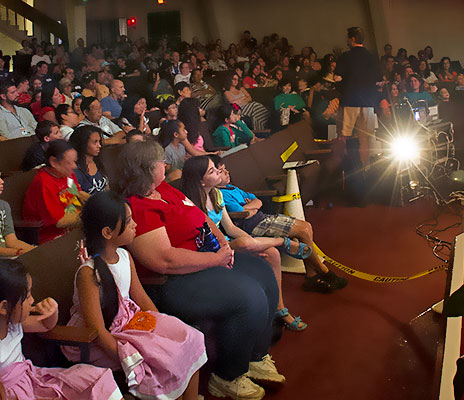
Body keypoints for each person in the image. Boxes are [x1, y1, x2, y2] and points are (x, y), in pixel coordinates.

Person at [114, 140, 284, 400]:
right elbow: (164, 260)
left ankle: (256, 355)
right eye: (161, 162)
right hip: (173, 281)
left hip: (206, 257)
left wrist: (224, 245)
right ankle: (227, 377)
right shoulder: (138, 206)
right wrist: (216, 260)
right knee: (248, 296)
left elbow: (202, 216)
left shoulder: (165, 189)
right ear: (147, 168)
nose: (166, 164)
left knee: (262, 272)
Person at [63, 191, 206, 399]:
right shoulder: (88, 273)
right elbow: (97, 330)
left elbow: (141, 297)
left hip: (129, 322)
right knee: (164, 358)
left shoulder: (124, 256)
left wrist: (160, 327)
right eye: (128, 221)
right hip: (100, 338)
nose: (135, 225)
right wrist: (128, 359)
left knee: (189, 338)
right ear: (107, 232)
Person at [181, 156, 308, 331]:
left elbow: (230, 227)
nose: (219, 171)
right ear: (201, 182)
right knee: (242, 243)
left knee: (271, 253)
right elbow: (205, 239)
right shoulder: (191, 204)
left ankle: (280, 309)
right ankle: (283, 242)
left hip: (227, 240)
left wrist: (252, 243)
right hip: (210, 249)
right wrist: (247, 243)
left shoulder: (216, 194)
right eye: (212, 171)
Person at [213, 155, 348, 293]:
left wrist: (253, 206)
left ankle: (311, 275)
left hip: (262, 218)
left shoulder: (232, 188)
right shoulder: (221, 194)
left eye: (226, 169)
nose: (227, 172)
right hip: (253, 225)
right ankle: (324, 272)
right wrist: (251, 207)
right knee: (302, 231)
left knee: (306, 226)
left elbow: (257, 200)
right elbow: (243, 212)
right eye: (221, 171)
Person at [0, 259, 123, 400]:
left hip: (32, 378)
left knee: (94, 378)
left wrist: (51, 312)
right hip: (14, 394)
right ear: (4, 307)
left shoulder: (14, 323)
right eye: (27, 296)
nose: (32, 300)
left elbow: (45, 326)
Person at [23, 140, 89, 244]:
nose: (75, 166)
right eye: (70, 162)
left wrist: (95, 200)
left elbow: (78, 194)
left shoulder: (67, 173)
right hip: (51, 237)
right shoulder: (43, 183)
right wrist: (90, 214)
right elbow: (60, 221)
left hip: (75, 223)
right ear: (53, 162)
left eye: (75, 161)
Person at [335, 27, 381, 170]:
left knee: (343, 135)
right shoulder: (371, 56)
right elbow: (379, 81)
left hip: (350, 100)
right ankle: (366, 168)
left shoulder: (345, 56)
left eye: (348, 38)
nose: (347, 41)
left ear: (352, 39)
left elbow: (337, 78)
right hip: (368, 102)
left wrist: (344, 85)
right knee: (365, 138)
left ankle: (342, 168)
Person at [0, 176, 35, 257]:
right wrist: (19, 252)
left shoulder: (4, 206)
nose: (2, 181)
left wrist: (36, 251)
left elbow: (12, 241)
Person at [69, 125, 108, 194]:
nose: (99, 145)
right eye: (95, 142)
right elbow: (78, 195)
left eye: (99, 141)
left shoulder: (99, 161)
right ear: (82, 143)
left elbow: (107, 186)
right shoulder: (74, 169)